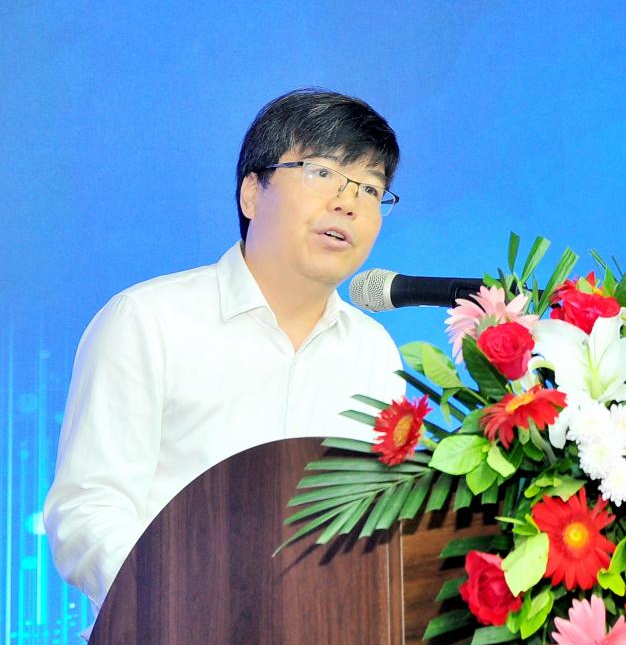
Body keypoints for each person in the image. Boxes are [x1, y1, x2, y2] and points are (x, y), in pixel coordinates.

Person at [43, 88, 408, 611]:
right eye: (321, 172)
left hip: (325, 640)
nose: (348, 202)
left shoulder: (373, 352)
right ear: (252, 193)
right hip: (167, 635)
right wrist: (190, 603)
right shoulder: (148, 321)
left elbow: (376, 525)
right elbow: (88, 511)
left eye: (370, 188)